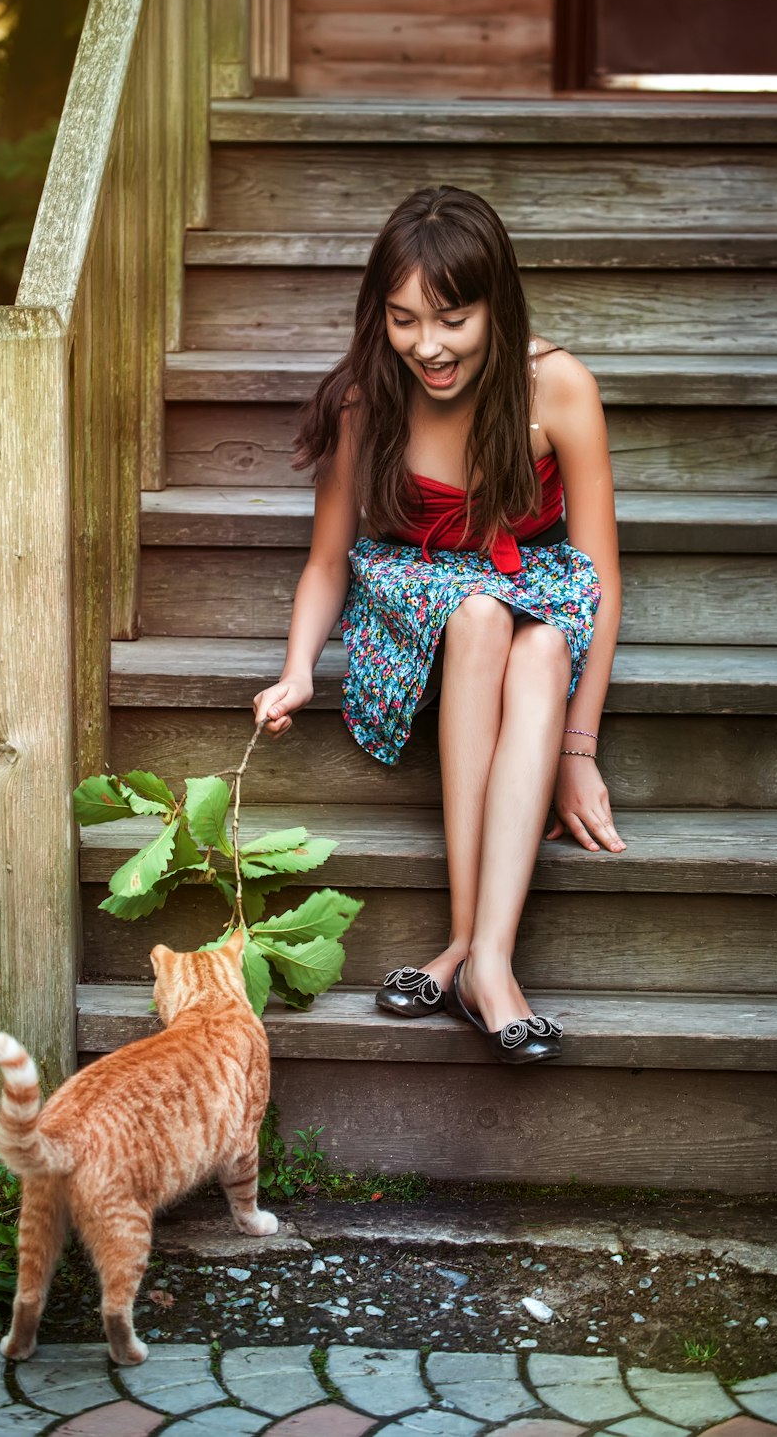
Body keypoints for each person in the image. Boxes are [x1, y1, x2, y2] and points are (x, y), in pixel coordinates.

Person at [252, 185, 625, 1063]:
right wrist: (300, 668)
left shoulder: (557, 388)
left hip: (533, 585)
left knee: (532, 646)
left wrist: (578, 751)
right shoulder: (366, 401)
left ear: (498, 303)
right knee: (480, 613)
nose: (429, 346)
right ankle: (478, 957)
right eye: (404, 319)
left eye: (453, 318)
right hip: (416, 591)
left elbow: (600, 574)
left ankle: (474, 957)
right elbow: (326, 560)